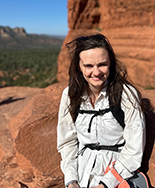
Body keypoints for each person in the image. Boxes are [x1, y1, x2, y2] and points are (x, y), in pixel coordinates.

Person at [57, 34, 146, 188]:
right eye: (89, 66)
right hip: (82, 174)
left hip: (117, 175)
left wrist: (106, 183)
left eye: (102, 64)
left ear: (110, 63)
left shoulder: (125, 94)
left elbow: (134, 148)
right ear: (79, 66)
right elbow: (67, 143)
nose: (96, 72)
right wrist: (71, 181)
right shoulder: (70, 95)